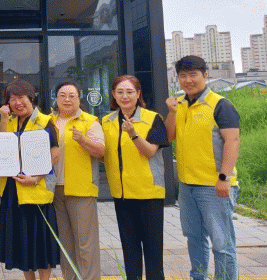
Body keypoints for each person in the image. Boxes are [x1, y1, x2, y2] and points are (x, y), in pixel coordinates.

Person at [164, 56, 240, 280]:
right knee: (194, 238)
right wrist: (171, 112)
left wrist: (224, 177)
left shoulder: (220, 105)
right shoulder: (178, 105)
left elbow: (232, 141)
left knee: (222, 244)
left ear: (205, 75)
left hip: (214, 186)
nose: (188, 80)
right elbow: (168, 137)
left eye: (193, 75)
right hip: (187, 186)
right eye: (183, 76)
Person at [101, 75, 169, 280]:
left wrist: (133, 134)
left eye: (130, 92)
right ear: (113, 95)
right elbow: (105, 155)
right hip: (122, 194)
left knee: (153, 251)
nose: (125, 96)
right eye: (120, 92)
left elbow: (149, 152)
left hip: (149, 194)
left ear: (138, 94)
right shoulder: (107, 121)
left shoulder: (153, 118)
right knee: (129, 250)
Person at [0, 79, 60, 280]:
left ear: (31, 98)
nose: (17, 103)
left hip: (37, 190)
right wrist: (3, 119)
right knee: (21, 243)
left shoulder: (45, 121)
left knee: (41, 242)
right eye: (12, 99)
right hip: (13, 190)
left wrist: (35, 178)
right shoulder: (10, 121)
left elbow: (55, 153)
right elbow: (2, 147)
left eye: (21, 97)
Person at [50, 80, 104, 280]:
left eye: (72, 96)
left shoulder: (90, 121)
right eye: (62, 95)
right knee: (65, 243)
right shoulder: (49, 121)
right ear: (56, 98)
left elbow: (101, 152)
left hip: (81, 190)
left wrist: (83, 140)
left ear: (79, 99)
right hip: (55, 189)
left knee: (85, 244)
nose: (67, 99)